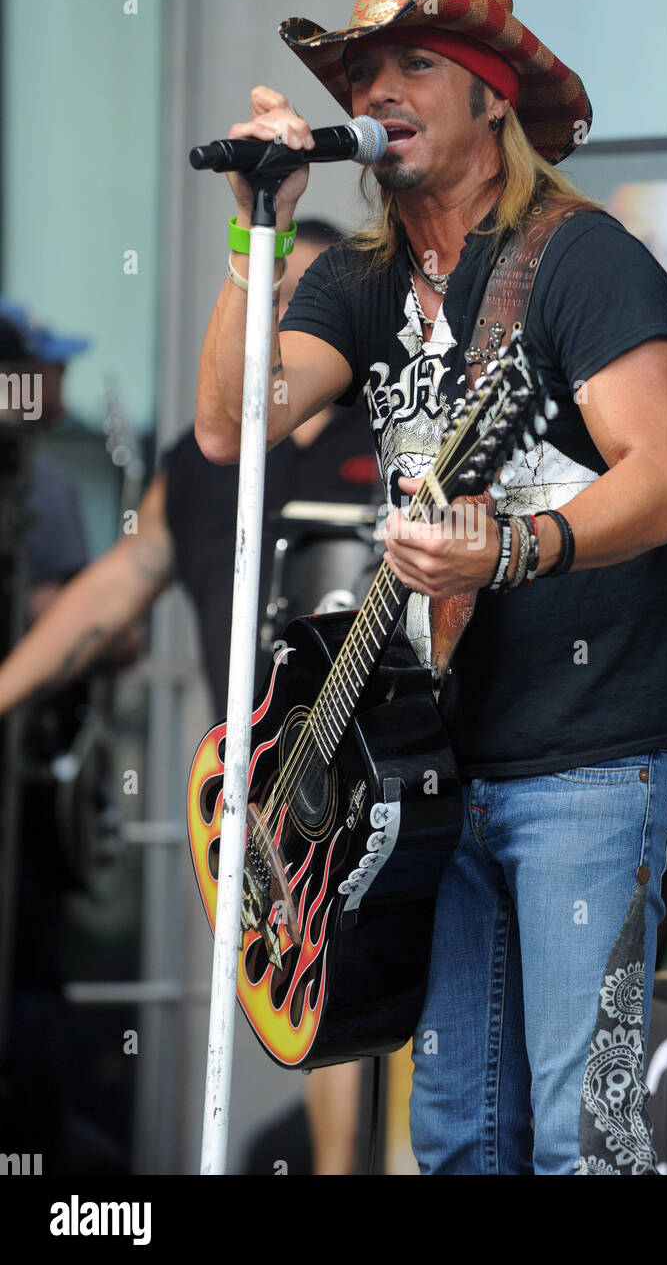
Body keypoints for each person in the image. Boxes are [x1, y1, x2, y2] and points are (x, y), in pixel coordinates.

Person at [195, 0, 667, 1176]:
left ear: (490, 98)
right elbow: (230, 423)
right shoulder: (360, 279)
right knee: (461, 1137)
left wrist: (522, 546)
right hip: (428, 775)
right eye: (362, 70)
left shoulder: (581, 259)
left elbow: (664, 477)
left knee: (587, 1139)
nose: (376, 90)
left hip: (589, 755)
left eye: (416, 64)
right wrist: (253, 231)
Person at [0, 225, 379, 1175]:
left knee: (413, 1052)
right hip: (267, 819)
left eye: (308, 294)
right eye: (272, 293)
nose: (286, 312)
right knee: (322, 1038)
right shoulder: (208, 459)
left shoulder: (394, 437)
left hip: (393, 796)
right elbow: (119, 580)